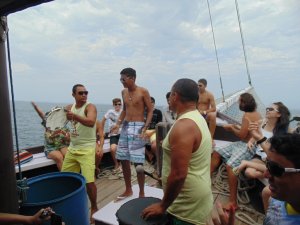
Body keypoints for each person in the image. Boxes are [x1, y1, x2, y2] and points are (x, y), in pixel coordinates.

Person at [142, 78, 213, 225]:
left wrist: (163, 206)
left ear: (175, 96)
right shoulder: (198, 118)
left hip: (185, 206)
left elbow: (179, 174)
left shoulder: (183, 126)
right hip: (197, 198)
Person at [211, 92, 262, 210]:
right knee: (217, 151)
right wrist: (235, 127)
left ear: (245, 103)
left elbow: (241, 135)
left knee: (231, 166)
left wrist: (231, 128)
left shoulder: (247, 116)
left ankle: (233, 202)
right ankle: (206, 178)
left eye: (240, 102)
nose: (239, 103)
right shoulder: (256, 114)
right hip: (244, 143)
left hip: (247, 146)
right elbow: (247, 131)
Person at [236, 102, 290, 211]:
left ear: (278, 114)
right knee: (249, 172)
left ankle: (248, 163)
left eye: (271, 109)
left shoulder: (284, 131)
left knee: (265, 170)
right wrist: (251, 141)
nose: (267, 110)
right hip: (261, 156)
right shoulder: (262, 123)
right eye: (267, 108)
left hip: (272, 159)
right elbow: (255, 135)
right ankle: (266, 172)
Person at [111, 67, 153, 200]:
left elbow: (150, 110)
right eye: (120, 79)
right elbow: (124, 110)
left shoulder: (143, 91)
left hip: (138, 127)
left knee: (138, 164)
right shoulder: (123, 92)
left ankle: (141, 192)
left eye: (123, 79)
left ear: (133, 78)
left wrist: (145, 127)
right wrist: (118, 123)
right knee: (123, 159)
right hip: (126, 127)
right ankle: (128, 189)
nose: (121, 81)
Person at [61, 84, 98, 223]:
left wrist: (74, 116)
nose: (84, 95)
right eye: (81, 93)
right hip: (72, 148)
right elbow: (60, 114)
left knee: (89, 182)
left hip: (87, 149)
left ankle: (94, 206)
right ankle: (70, 203)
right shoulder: (70, 107)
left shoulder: (90, 107)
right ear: (73, 95)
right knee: (65, 178)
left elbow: (90, 122)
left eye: (86, 93)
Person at [31, 102, 69, 171]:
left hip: (62, 145)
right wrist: (35, 106)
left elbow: (69, 138)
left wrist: (67, 138)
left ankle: (72, 174)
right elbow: (41, 114)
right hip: (50, 148)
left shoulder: (63, 124)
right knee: (59, 157)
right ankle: (65, 176)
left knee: (69, 156)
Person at [99, 98, 122, 171]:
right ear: (113, 105)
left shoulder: (123, 112)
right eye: (116, 104)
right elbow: (102, 121)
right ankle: (116, 163)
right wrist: (101, 131)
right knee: (113, 149)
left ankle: (122, 164)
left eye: (119, 104)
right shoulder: (110, 112)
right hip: (113, 135)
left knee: (122, 148)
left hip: (122, 134)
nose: (118, 106)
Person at [197, 78, 217, 144]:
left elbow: (214, 108)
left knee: (213, 115)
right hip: (196, 114)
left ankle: (211, 138)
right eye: (198, 85)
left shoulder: (209, 95)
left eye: (200, 85)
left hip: (205, 114)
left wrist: (204, 112)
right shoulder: (195, 94)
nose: (198, 87)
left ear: (205, 86)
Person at [144, 96, 163, 164]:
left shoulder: (158, 112)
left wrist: (151, 132)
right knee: (136, 142)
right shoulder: (143, 112)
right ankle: (149, 155)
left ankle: (158, 160)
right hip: (144, 131)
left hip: (154, 131)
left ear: (154, 103)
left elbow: (159, 126)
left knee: (154, 145)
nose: (150, 104)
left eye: (151, 102)